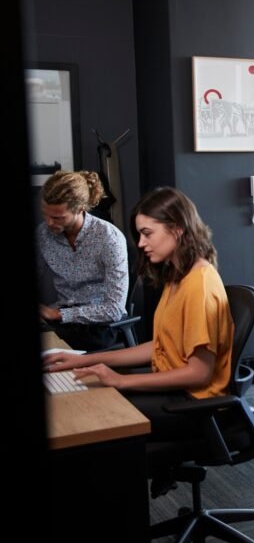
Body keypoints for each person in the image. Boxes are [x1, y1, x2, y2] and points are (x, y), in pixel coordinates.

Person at [42, 187, 234, 441]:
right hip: (174, 387)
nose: (141, 244)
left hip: (193, 402)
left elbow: (199, 373)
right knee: (89, 392)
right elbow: (161, 346)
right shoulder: (179, 277)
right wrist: (84, 360)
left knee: (93, 413)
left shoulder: (199, 285)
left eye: (147, 234)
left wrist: (120, 381)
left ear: (177, 229)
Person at [37, 170, 129, 350]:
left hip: (100, 324)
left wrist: (60, 314)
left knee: (54, 351)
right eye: (45, 215)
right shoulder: (43, 234)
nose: (49, 223)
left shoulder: (108, 238)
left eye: (57, 217)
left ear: (80, 209)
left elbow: (114, 309)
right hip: (62, 320)